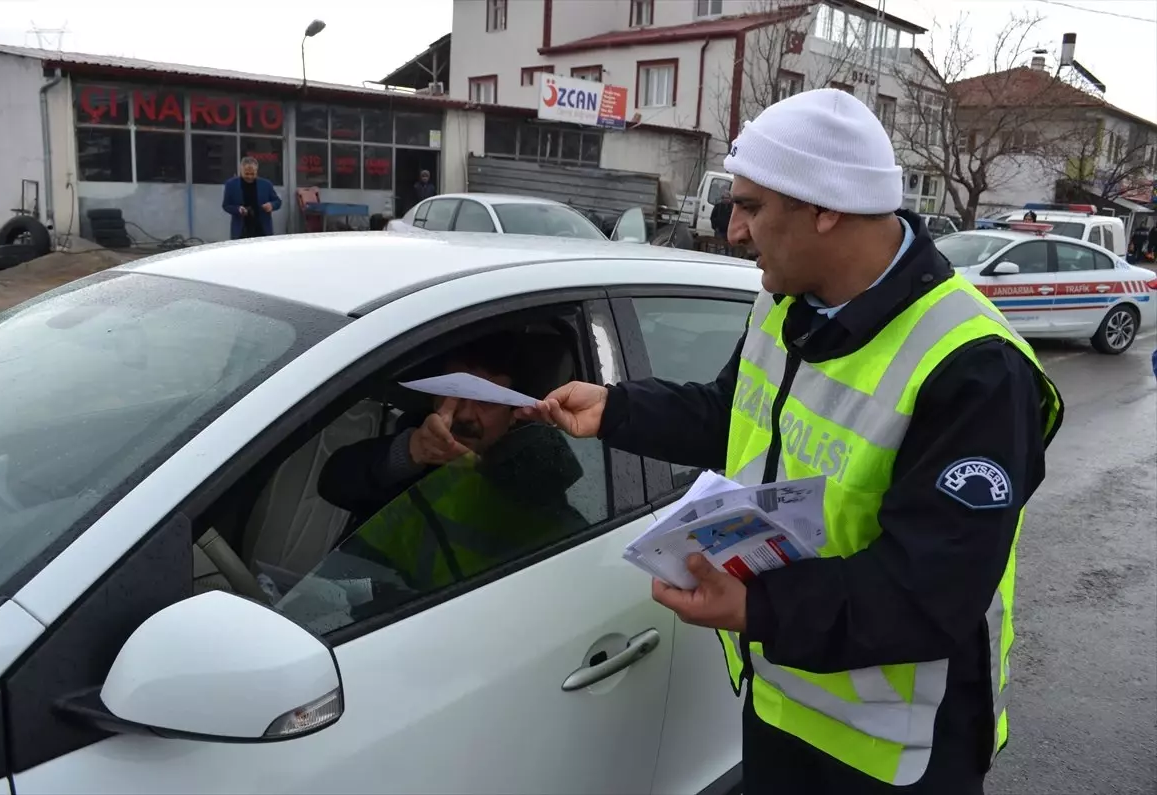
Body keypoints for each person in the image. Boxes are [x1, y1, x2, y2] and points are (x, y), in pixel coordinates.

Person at [519, 88, 1063, 794]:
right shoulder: (785, 300)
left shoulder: (975, 367)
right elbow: (734, 413)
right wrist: (618, 408)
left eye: (750, 207)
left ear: (825, 207)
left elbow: (931, 592)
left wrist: (756, 608)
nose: (733, 231)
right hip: (782, 697)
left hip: (898, 751)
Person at [317, 331, 588, 592]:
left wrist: (485, 472)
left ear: (515, 412)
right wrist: (409, 454)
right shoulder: (416, 449)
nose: (465, 414)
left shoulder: (540, 487)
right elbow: (332, 483)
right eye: (452, 393)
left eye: (487, 400)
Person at [222, 157, 282, 240]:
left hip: (262, 229)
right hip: (241, 230)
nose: (250, 177)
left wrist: (271, 205)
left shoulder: (266, 184)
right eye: (246, 174)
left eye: (253, 174)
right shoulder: (231, 185)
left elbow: (278, 202)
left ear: (257, 171)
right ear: (241, 170)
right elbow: (226, 205)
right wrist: (238, 209)